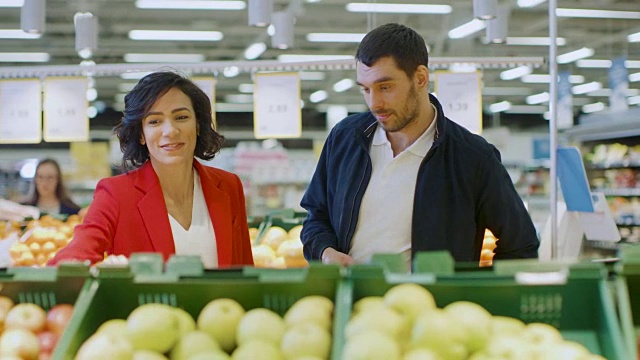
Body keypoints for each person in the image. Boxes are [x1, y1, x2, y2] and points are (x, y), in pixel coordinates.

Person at [300, 23, 539, 268]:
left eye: (385, 87)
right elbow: (316, 216)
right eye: (366, 89)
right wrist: (325, 251)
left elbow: (520, 244)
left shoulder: (472, 157)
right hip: (352, 301)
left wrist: (470, 293)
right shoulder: (345, 139)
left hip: (430, 304)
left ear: (421, 78)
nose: (375, 103)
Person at [49, 71, 254, 268]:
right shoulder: (116, 194)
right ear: (141, 135)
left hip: (220, 305)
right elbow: (73, 257)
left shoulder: (228, 186)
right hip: (147, 305)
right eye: (154, 121)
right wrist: (100, 270)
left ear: (198, 125)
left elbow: (245, 271)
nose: (170, 131)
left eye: (181, 117)